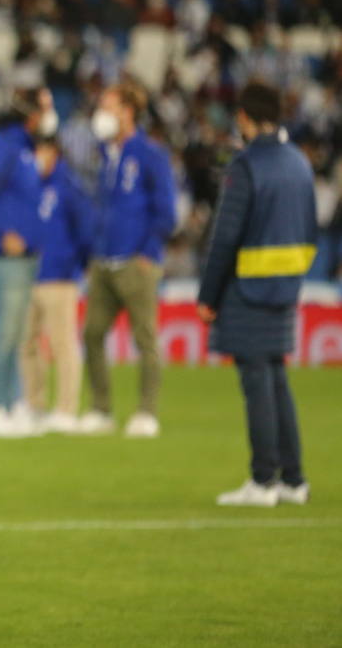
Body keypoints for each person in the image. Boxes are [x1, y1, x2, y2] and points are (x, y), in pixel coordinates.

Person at [198, 83, 314, 507]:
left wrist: (208, 295)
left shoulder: (246, 166)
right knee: (277, 379)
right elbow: (310, 228)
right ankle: (293, 480)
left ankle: (263, 481)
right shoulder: (299, 162)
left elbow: (225, 236)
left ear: (244, 116)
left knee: (257, 383)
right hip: (285, 286)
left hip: (246, 288)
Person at [78, 83, 177, 438]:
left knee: (145, 339)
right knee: (92, 334)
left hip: (136, 262)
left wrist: (148, 252)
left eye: (108, 106)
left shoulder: (151, 154)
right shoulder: (103, 154)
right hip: (103, 261)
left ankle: (146, 413)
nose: (101, 114)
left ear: (127, 111)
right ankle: (101, 409)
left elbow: (166, 211)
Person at [0, 88, 51, 438]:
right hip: (5, 256)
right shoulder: (7, 146)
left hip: (23, 254)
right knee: (1, 333)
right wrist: (4, 231)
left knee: (15, 334)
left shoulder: (22, 147)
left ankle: (12, 403)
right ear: (31, 114)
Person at [20, 137, 93, 434]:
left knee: (63, 344)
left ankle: (66, 409)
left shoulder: (70, 186)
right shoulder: (29, 185)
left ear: (55, 153)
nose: (38, 157)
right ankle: (34, 405)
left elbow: (86, 230)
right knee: (27, 343)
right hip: (29, 275)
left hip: (59, 277)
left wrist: (75, 264)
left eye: (42, 150)